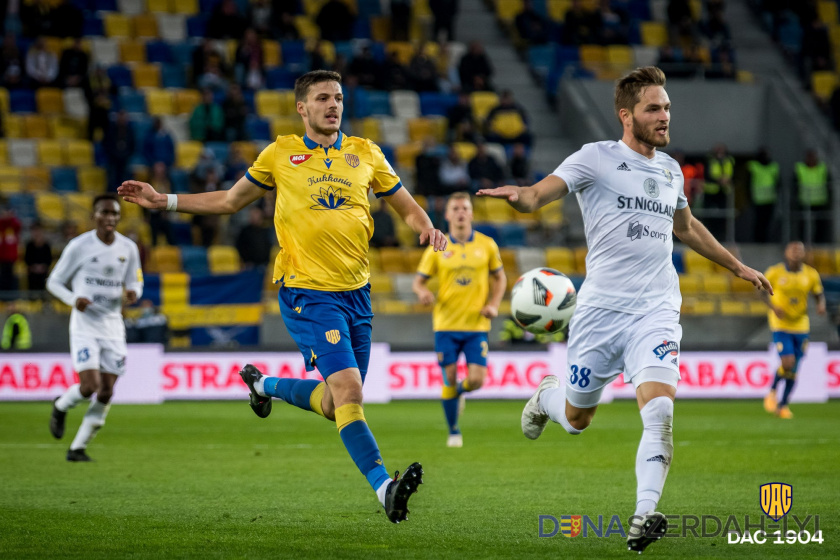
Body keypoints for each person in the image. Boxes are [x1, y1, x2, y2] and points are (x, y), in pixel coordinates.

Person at [118, 70, 447, 523]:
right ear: (302, 108)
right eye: (323, 98)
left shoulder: (365, 153)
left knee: (337, 405)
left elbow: (407, 206)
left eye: (338, 98)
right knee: (350, 390)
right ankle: (385, 488)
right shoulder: (280, 153)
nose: (333, 105)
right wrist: (165, 201)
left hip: (358, 295)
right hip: (307, 293)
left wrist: (426, 228)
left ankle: (262, 385)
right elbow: (230, 201)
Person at [477, 67, 772, 553]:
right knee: (575, 420)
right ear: (626, 114)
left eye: (667, 107)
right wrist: (521, 198)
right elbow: (539, 193)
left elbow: (687, 227)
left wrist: (736, 266)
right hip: (600, 312)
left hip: (656, 308)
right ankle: (546, 396)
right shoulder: (595, 158)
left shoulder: (671, 170)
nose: (664, 116)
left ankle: (644, 514)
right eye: (653, 108)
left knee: (659, 413)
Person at [46, 194, 144, 462]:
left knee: (107, 390)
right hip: (85, 324)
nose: (110, 218)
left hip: (112, 324)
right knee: (89, 386)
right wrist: (72, 299)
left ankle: (77, 448)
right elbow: (53, 282)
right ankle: (60, 405)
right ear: (94, 216)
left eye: (115, 214)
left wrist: (134, 292)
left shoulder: (128, 248)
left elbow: (136, 280)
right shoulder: (79, 246)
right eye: (104, 213)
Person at [412, 193, 505, 448]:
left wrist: (494, 305)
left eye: (465, 208)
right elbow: (418, 281)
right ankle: (454, 431)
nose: (461, 212)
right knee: (449, 377)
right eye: (456, 208)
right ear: (447, 214)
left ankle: (460, 393)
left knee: (476, 380)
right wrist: (423, 292)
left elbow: (500, 278)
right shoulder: (438, 247)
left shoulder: (487, 245)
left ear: (472, 213)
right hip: (445, 324)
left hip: (477, 325)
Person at [762, 241, 825, 419]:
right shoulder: (775, 272)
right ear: (786, 253)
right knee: (788, 363)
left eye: (800, 250)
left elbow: (818, 293)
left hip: (801, 325)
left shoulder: (811, 274)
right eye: (793, 250)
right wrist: (773, 308)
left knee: (794, 368)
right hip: (781, 324)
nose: (797, 253)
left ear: (804, 254)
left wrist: (821, 305)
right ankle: (773, 391)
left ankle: (783, 405)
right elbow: (760, 291)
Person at [746, 147, 778, 243]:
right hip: (758, 199)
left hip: (770, 199)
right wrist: (749, 197)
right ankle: (757, 240)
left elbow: (778, 183)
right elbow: (748, 183)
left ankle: (765, 239)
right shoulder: (753, 166)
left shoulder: (773, 167)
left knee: (767, 222)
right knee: (758, 222)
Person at [24, 221, 52, 293]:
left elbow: (49, 259)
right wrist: (34, 267)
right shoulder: (29, 246)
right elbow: (27, 259)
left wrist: (43, 267)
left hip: (43, 273)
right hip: (32, 273)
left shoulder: (46, 246)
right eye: (35, 230)